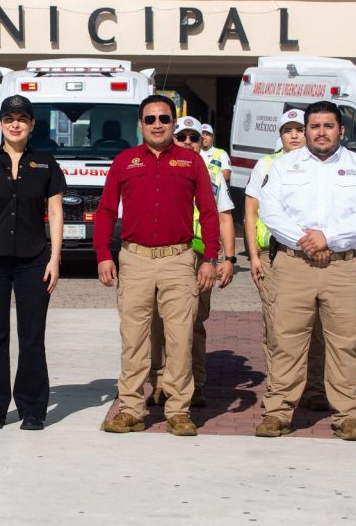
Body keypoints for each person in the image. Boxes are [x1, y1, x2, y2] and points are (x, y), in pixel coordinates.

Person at [257, 100, 356, 441]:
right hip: (294, 264)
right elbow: (270, 211)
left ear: (341, 130)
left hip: (344, 267)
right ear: (306, 130)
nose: (321, 132)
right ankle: (278, 413)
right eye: (315, 126)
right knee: (287, 342)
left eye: (328, 126)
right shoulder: (284, 166)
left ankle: (348, 416)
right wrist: (308, 243)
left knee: (345, 345)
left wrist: (328, 237)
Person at [96, 94, 220, 437]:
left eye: (164, 118)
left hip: (178, 260)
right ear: (140, 124)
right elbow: (106, 210)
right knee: (134, 338)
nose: (157, 124)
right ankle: (131, 409)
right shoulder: (124, 161)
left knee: (180, 337)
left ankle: (179, 411)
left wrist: (210, 258)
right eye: (150, 119)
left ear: (173, 123)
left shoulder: (191, 162)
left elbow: (209, 212)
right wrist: (103, 254)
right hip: (134, 259)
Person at [0, 95, 64, 431]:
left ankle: (33, 409)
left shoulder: (46, 163)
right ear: (1, 124)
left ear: (32, 124)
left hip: (34, 262)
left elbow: (55, 213)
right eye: (9, 119)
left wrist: (55, 258)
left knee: (32, 337)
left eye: (22, 119)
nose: (15, 124)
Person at [147, 116, 234, 409]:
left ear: (202, 142)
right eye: (181, 137)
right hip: (167, 252)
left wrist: (227, 258)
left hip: (200, 256)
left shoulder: (213, 174)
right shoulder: (161, 168)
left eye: (193, 138)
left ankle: (194, 383)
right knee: (158, 320)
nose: (187, 142)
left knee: (193, 321)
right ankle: (160, 382)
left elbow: (224, 217)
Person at [243, 109, 328, 410]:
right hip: (273, 255)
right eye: (287, 130)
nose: (294, 135)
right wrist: (253, 256)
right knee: (277, 324)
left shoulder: (321, 164)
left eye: (298, 129)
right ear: (279, 136)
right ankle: (279, 386)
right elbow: (251, 212)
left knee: (316, 325)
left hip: (312, 255)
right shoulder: (266, 164)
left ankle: (315, 388)